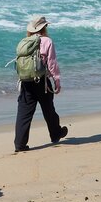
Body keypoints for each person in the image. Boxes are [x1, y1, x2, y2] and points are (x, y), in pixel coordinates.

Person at [14, 15, 68, 152]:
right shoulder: (47, 41)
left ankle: (20, 144)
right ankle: (56, 134)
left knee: (24, 114)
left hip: (26, 82)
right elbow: (52, 63)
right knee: (48, 109)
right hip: (42, 82)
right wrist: (56, 81)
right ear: (44, 28)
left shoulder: (24, 42)